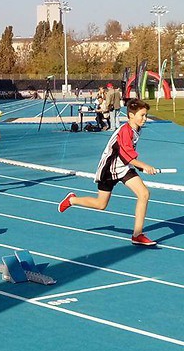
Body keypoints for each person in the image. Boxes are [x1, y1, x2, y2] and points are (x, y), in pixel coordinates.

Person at [58, 98, 159, 246]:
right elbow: (127, 155)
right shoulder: (125, 131)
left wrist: (139, 166)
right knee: (101, 204)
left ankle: (137, 235)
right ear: (131, 115)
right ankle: (72, 200)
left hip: (123, 168)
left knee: (144, 193)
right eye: (142, 115)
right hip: (108, 169)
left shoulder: (137, 129)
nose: (145, 118)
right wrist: (144, 166)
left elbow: (127, 156)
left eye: (145, 115)